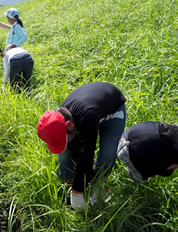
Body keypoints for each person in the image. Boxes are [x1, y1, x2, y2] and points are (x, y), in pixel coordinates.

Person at [37, 82, 127, 211]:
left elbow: (87, 152)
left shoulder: (87, 116)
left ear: (70, 125)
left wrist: (78, 191)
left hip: (113, 111)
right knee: (65, 153)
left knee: (108, 154)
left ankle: (98, 186)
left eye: (63, 138)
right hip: (92, 107)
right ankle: (68, 186)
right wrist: (84, 178)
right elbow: (76, 150)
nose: (64, 142)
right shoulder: (59, 117)